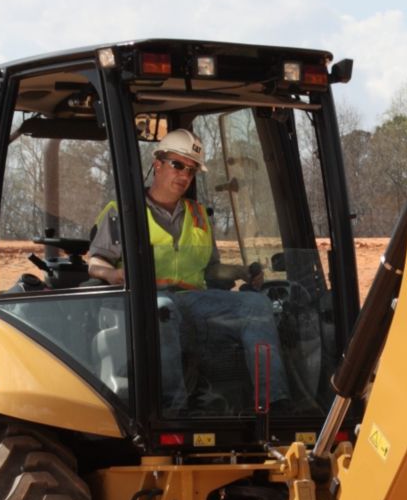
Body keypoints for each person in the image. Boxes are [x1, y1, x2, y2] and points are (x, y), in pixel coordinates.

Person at [86, 127, 292, 409]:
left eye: (191, 170)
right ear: (157, 164)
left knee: (256, 306)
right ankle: (173, 406)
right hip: (144, 304)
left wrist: (241, 273)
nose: (184, 175)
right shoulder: (122, 212)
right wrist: (113, 274)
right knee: (164, 308)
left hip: (194, 303)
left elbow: (211, 271)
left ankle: (273, 404)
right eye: (177, 165)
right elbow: (96, 262)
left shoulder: (198, 216)